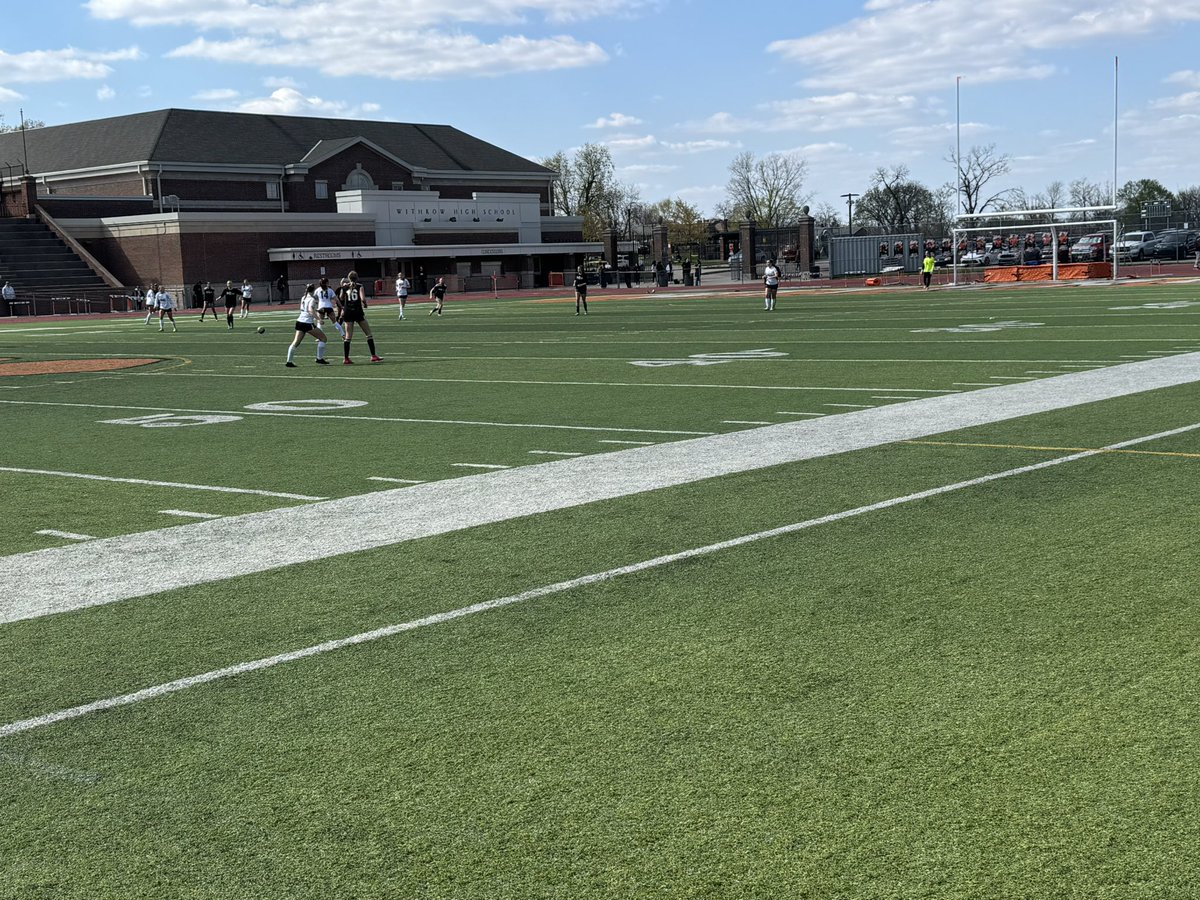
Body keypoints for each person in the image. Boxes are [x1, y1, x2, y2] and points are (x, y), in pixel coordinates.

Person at [340, 270, 381, 364]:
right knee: (368, 333)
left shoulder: (345, 287)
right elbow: (362, 298)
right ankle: (373, 355)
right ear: (357, 278)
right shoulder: (359, 286)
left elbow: (341, 297)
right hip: (357, 311)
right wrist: (365, 304)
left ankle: (346, 358)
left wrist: (343, 287)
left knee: (348, 336)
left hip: (348, 312)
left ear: (349, 278)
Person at [285, 284, 329, 367]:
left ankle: (289, 361)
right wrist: (319, 319)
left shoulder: (303, 297)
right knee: (323, 338)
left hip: (299, 321)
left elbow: (306, 309)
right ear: (313, 290)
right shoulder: (312, 299)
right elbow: (310, 310)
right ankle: (319, 358)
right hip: (307, 323)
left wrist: (317, 310)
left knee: (295, 342)